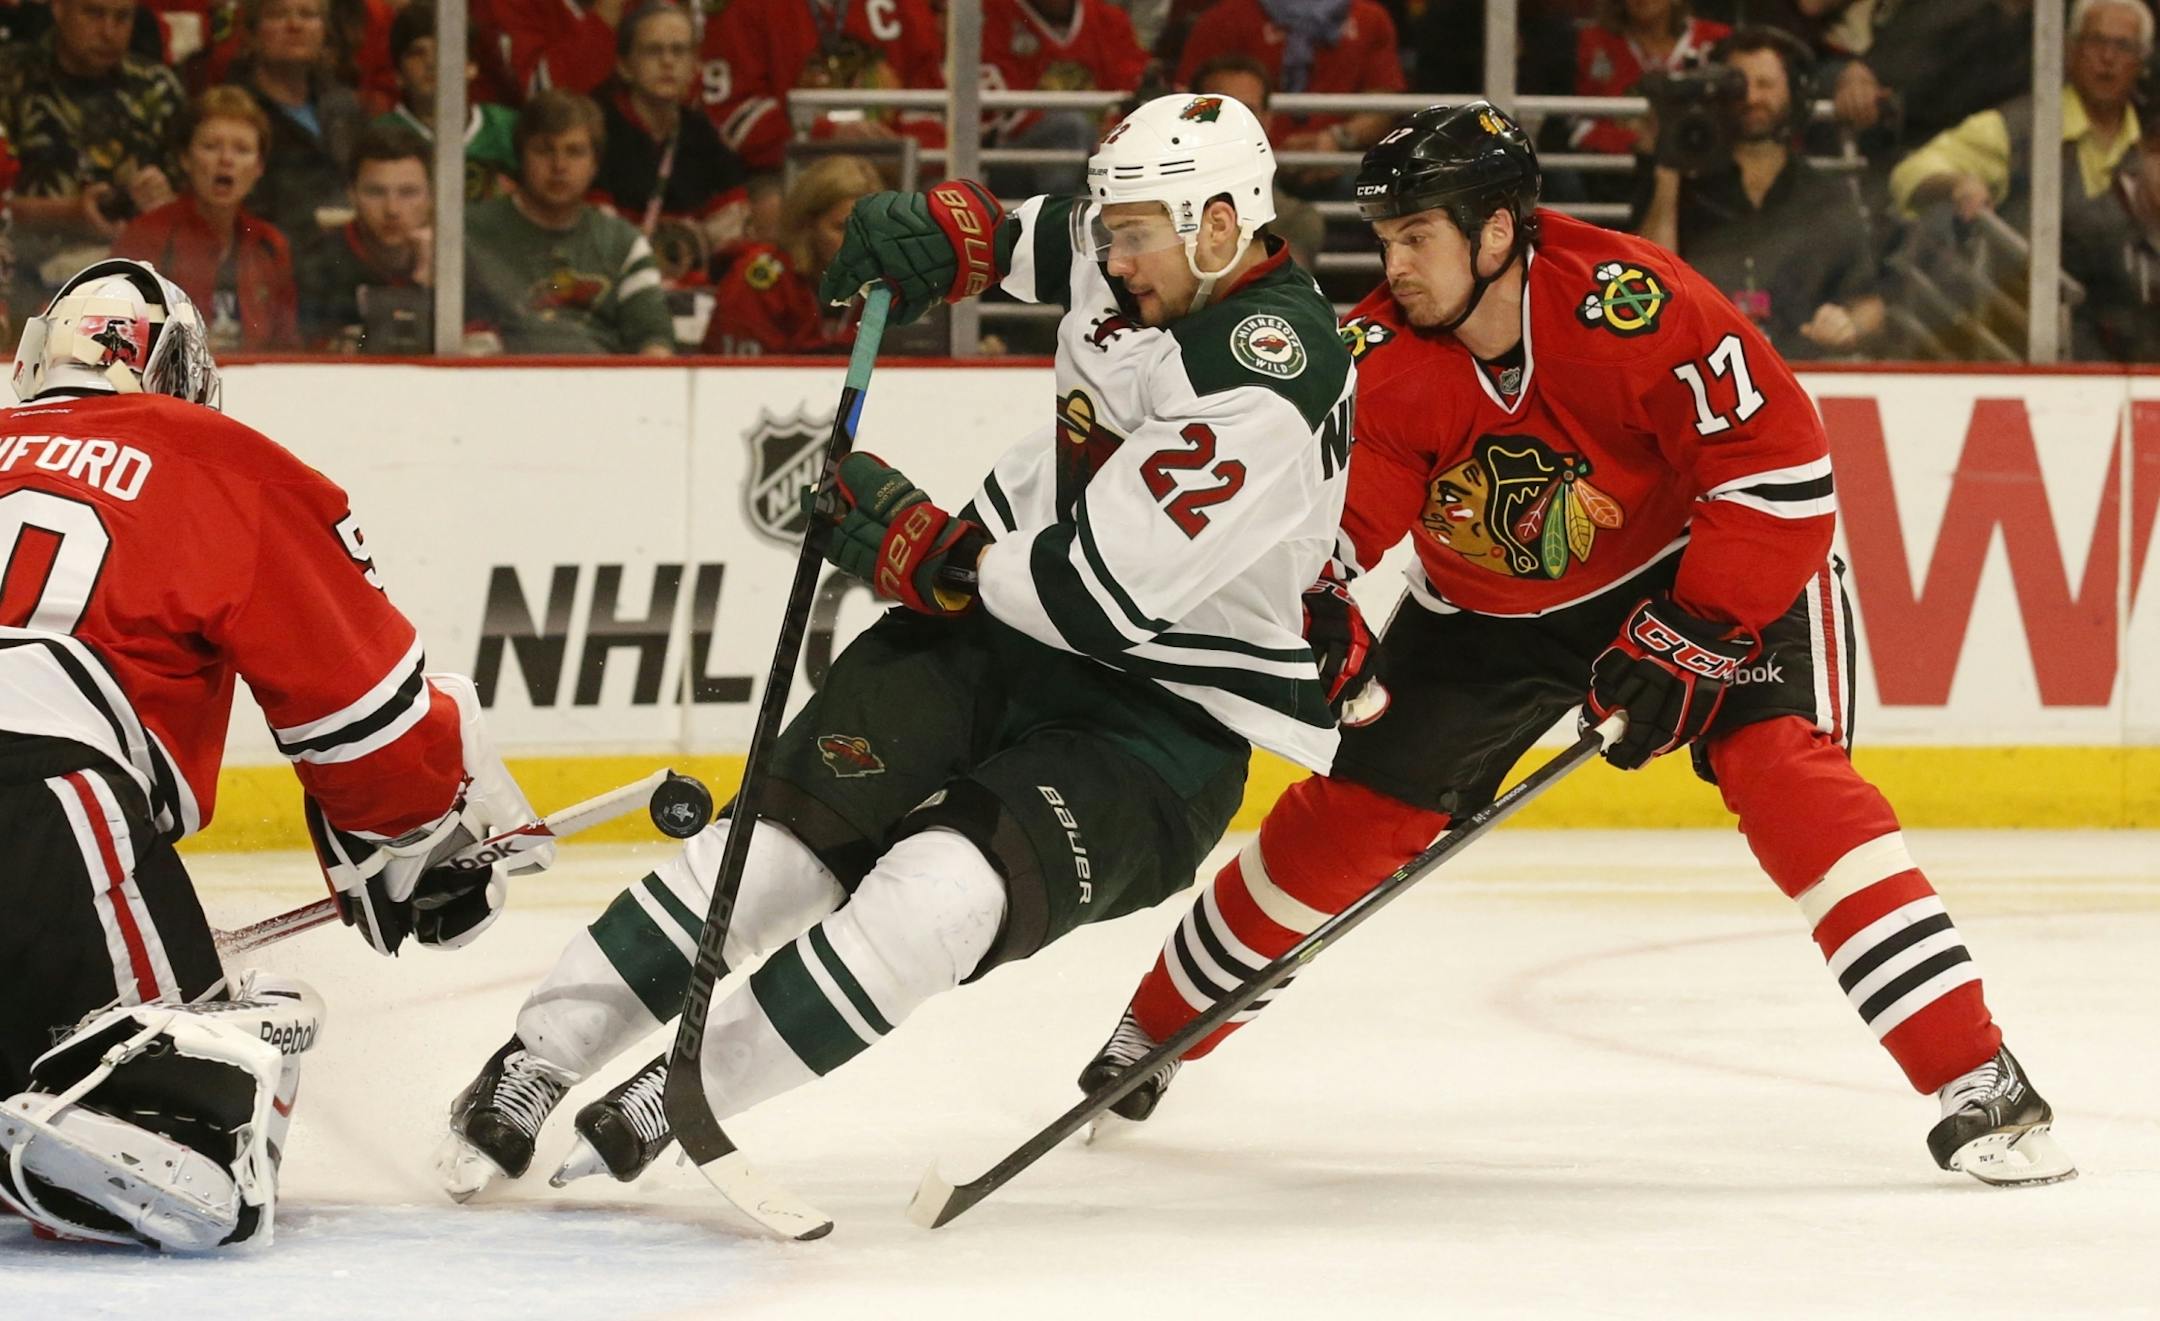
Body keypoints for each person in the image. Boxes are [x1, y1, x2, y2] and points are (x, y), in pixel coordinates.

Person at [1080, 102, 2076, 1190]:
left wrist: (1696, 629)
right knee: (1354, 816)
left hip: (1694, 568)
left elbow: (1778, 468)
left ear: (1496, 232)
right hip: (1486, 612)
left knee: (1784, 771)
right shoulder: (1381, 357)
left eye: (1418, 236)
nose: (1393, 265)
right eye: (1386, 237)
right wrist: (1316, 602)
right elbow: (1331, 523)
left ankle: (1976, 1073)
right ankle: (1153, 1034)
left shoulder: (1635, 306)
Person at [430, 92, 1357, 1202]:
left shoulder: (1267, 371)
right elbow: (1044, 239)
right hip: (990, 633)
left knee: (937, 899)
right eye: (1110, 229)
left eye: (1133, 235)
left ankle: (684, 1092)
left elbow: (1098, 599)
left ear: (1220, 225)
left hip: (1164, 718)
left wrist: (934, 552)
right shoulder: (1148, 245)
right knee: (780, 848)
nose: (1111, 257)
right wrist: (957, 236)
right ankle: (534, 1058)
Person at [0, 257, 538, 1249]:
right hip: (38, 803)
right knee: (188, 1128)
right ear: (176, 368)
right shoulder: (217, 457)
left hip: (37, 806)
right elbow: (365, 721)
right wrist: (426, 844)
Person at [1632, 29, 1885, 359]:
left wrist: (1848, 325)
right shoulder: (1681, 185)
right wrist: (1669, 170)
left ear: (1793, 92)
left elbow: (1869, 304)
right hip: (1699, 368)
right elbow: (1646, 287)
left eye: (1766, 85)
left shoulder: (1825, 195)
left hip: (1803, 369)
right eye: (1738, 86)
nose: (1752, 98)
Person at [1887, 0, 2147, 224]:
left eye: (2124, 46)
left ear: (2141, 61)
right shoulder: (2018, 126)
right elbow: (1911, 173)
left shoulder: (2150, 141)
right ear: (2070, 50)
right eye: (2096, 41)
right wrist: (1959, 185)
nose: (2108, 57)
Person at [0, 0, 185, 306]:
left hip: (139, 281)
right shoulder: (9, 80)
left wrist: (164, 201)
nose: (109, 32)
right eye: (94, 13)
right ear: (59, 9)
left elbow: (197, 199)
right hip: (24, 277)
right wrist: (68, 214)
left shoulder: (157, 88)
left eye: (122, 17)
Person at [464, 89, 675, 355]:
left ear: (595, 164)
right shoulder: (468, 232)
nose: (559, 166)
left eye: (574, 152)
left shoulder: (623, 243)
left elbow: (655, 339)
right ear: (521, 157)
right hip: (500, 374)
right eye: (544, 150)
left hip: (601, 375)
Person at [113, 86, 300, 352]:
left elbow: (286, 347)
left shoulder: (270, 245)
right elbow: (119, 336)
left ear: (259, 167)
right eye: (210, 147)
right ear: (185, 158)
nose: (226, 160)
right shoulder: (146, 235)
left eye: (242, 149)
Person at [593, 0, 751, 287]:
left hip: (687, 286)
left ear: (694, 67)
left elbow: (732, 232)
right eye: (653, 50)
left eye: (679, 51)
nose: (668, 62)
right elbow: (592, 231)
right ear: (624, 66)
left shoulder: (705, 136)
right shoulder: (597, 129)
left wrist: (691, 245)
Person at [1174, 0, 1407, 187]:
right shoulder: (1223, 19)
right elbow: (1187, 107)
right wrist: (1261, 151)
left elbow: (1383, 103)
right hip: (1242, 168)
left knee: (1377, 193)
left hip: (1337, 166)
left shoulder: (1371, 19)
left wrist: (1336, 139)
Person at [700, 0, 947, 172]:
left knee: (939, 207)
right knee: (771, 207)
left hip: (893, 168)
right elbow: (735, 113)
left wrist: (892, 149)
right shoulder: (742, 7)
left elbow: (929, 106)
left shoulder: (906, 6)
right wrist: (824, 136)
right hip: (784, 170)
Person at [699, 152, 879, 355]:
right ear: (807, 226)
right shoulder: (759, 284)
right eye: (841, 228)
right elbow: (743, 371)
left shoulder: (886, 283)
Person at [980, 0, 1150, 197]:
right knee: (1070, 128)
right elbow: (998, 116)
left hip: (1097, 153)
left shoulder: (1110, 20)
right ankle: (1064, 212)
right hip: (1014, 158)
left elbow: (1132, 92)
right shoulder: (993, 13)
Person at [230, 0, 367, 245]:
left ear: (324, 30)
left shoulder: (345, 106)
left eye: (308, 14)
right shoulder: (233, 114)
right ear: (252, 34)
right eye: (278, 14)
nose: (295, 25)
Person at [296, 120, 433, 351]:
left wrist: (426, 277)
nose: (392, 209)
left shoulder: (454, 261)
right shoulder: (318, 263)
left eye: (408, 192)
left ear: (431, 197)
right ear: (352, 195)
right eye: (375, 192)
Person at [373, 2, 519, 203]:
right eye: (417, 53)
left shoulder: (510, 129)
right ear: (398, 75)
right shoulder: (380, 137)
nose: (431, 62)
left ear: (471, 66)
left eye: (446, 48)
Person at [1573, 0, 1732, 156]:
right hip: (1618, 167)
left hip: (1701, 159)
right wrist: (1632, 141)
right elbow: (1576, 121)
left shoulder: (1717, 40)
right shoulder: (1593, 43)